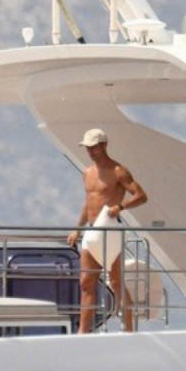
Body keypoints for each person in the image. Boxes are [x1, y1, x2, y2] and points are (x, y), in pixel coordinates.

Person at [67, 128, 147, 334]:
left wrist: (120, 207)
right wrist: (77, 229)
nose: (90, 152)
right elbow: (88, 203)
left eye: (94, 147)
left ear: (104, 146)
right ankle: (83, 333)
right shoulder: (87, 173)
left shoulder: (118, 171)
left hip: (109, 228)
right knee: (86, 282)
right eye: (88, 148)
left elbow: (140, 195)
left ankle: (129, 330)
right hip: (91, 231)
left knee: (116, 281)